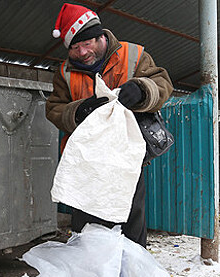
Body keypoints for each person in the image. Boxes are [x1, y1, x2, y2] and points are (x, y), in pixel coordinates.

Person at [46, 3, 174, 247]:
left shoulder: (133, 54)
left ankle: (130, 276)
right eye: (74, 47)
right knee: (87, 226)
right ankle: (93, 276)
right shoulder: (64, 72)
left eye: (87, 43)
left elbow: (162, 83)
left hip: (125, 156)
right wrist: (79, 110)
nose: (82, 52)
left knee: (130, 220)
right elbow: (54, 109)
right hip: (87, 163)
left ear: (100, 36)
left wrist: (141, 89)